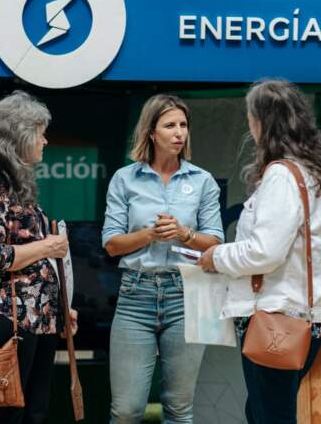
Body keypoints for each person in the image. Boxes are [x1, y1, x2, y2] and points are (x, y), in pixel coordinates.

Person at [197, 79, 321, 424]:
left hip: (277, 314)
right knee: (263, 410)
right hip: (310, 316)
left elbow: (265, 252)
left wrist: (216, 257)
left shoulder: (282, 175)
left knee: (271, 414)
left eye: (251, 117)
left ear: (262, 122)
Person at [102, 94, 225, 424]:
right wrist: (150, 235)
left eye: (183, 125)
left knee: (179, 408)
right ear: (151, 132)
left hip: (185, 295)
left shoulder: (202, 181)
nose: (179, 133)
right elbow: (111, 245)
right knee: (126, 410)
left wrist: (184, 234)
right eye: (170, 125)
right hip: (135, 295)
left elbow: (215, 242)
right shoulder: (124, 179)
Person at [0, 90, 77, 424]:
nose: (45, 141)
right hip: (5, 319)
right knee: (4, 416)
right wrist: (49, 247)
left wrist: (60, 309)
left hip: (36, 319)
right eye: (40, 132)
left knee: (33, 414)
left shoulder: (13, 184)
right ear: (19, 135)